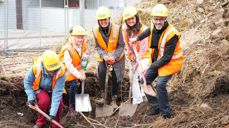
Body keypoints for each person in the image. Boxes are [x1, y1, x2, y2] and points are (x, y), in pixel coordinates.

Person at [129, 4, 184, 118]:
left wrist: (150, 66)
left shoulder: (171, 34)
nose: (158, 22)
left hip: (171, 63)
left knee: (160, 84)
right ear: (153, 19)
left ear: (165, 19)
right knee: (143, 80)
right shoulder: (154, 25)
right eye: (156, 19)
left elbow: (167, 58)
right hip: (159, 60)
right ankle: (156, 106)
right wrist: (137, 38)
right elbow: (149, 31)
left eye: (161, 19)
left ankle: (166, 113)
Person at [24, 50, 66, 128]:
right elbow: (27, 82)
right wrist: (31, 96)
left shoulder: (61, 72)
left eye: (55, 69)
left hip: (54, 90)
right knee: (44, 101)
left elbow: (57, 93)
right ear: (43, 65)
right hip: (40, 89)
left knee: (59, 104)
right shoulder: (36, 68)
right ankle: (41, 122)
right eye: (50, 70)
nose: (53, 71)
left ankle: (54, 125)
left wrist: (52, 114)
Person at [93, 6, 125, 107]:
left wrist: (114, 56)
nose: (103, 22)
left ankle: (114, 98)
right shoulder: (95, 30)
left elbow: (121, 46)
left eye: (105, 19)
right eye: (101, 20)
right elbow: (97, 47)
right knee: (101, 70)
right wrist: (104, 56)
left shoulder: (117, 29)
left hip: (116, 55)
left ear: (109, 19)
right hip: (104, 56)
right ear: (98, 21)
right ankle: (103, 95)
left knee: (116, 73)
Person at [122, 6, 151, 104]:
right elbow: (127, 44)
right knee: (131, 75)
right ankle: (137, 99)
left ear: (136, 17)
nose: (130, 21)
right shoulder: (125, 29)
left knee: (140, 72)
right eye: (128, 19)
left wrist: (137, 63)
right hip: (134, 56)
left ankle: (145, 95)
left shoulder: (143, 30)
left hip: (145, 55)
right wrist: (131, 55)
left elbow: (143, 49)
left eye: (132, 18)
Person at [59, 25, 87, 115]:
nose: (80, 40)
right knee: (74, 84)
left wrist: (83, 70)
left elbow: (85, 57)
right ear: (73, 37)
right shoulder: (67, 49)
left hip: (77, 69)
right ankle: (72, 105)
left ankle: (80, 104)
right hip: (66, 72)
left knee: (84, 82)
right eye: (78, 37)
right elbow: (69, 66)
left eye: (82, 37)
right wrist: (79, 76)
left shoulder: (83, 44)